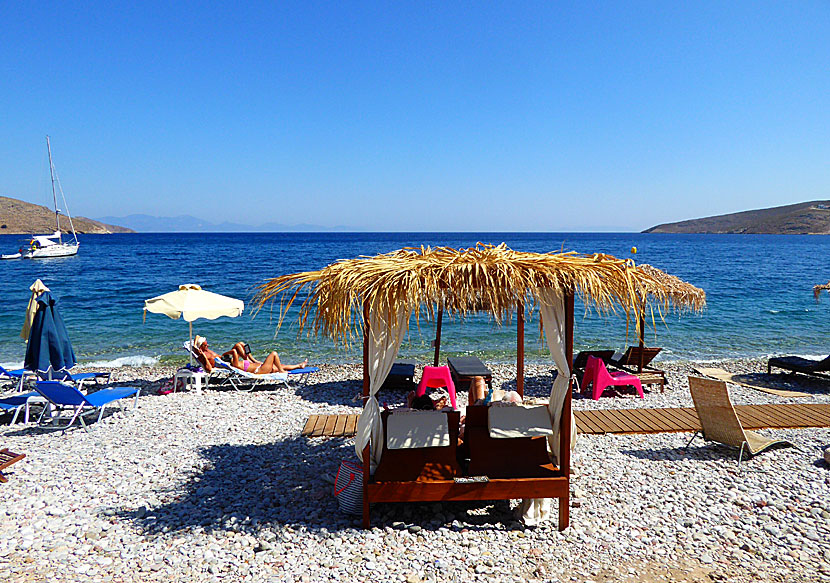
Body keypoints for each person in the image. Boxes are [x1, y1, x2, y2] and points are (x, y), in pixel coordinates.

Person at [193, 336, 308, 375]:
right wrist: (202, 354)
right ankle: (287, 370)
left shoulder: (205, 351)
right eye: (205, 345)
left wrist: (196, 344)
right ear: (201, 347)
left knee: (240, 344)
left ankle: (298, 366)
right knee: (275, 358)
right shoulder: (204, 355)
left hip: (252, 365)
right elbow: (208, 369)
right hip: (257, 369)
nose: (208, 346)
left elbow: (197, 338)